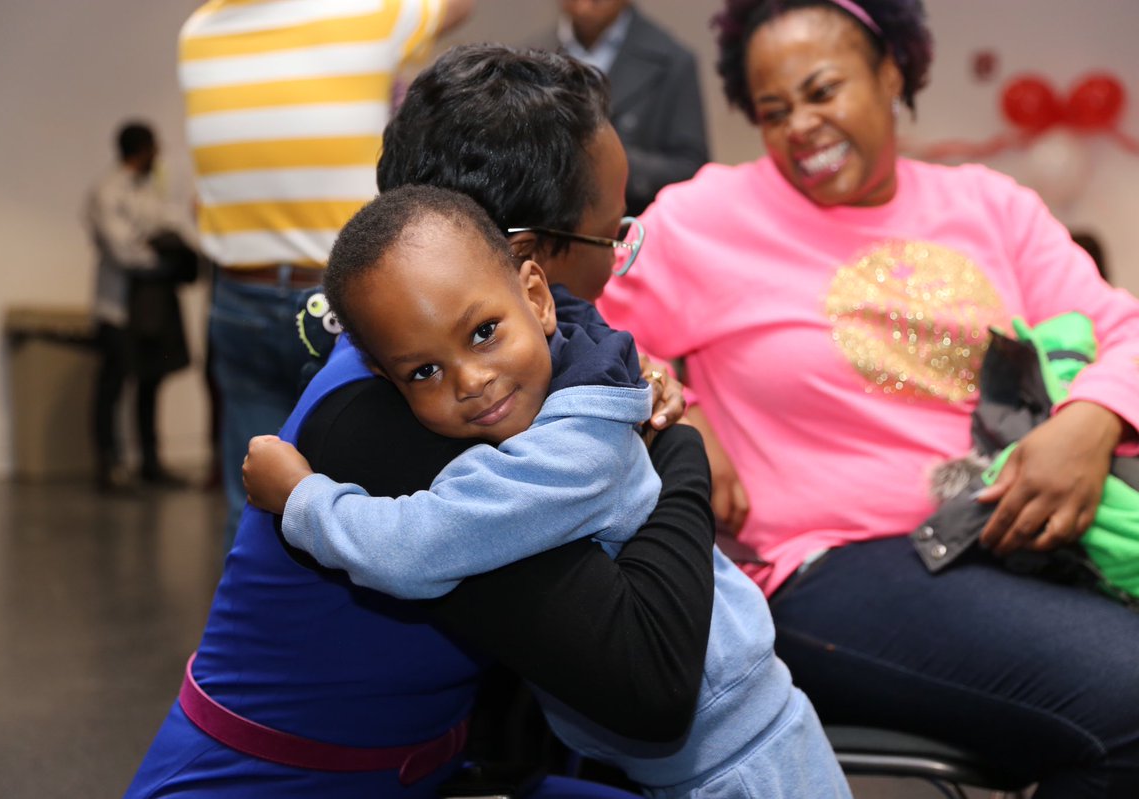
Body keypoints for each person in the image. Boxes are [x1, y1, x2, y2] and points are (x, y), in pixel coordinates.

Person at [125, 44, 720, 799]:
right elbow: (651, 682)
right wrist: (681, 453)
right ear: (530, 265)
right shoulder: (412, 425)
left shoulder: (434, 373)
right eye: (613, 237)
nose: (615, 268)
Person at [596, 0, 1139, 795]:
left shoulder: (990, 206)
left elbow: (1122, 327)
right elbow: (575, 329)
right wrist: (676, 404)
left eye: (823, 91)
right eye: (773, 110)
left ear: (891, 73)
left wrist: (1090, 421)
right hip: (833, 565)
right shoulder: (706, 218)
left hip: (1013, 539)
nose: (801, 127)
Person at [244, 184, 849, 798]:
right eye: (424, 371)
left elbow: (416, 547)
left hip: (740, 769)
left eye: (482, 333)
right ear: (385, 377)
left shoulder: (571, 454)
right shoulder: (585, 377)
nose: (472, 381)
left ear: (536, 297)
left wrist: (301, 500)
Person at [177, 0, 475, 547]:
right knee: (366, 496)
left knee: (252, 500)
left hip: (239, 293)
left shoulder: (197, 33)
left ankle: (253, 629)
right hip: (346, 306)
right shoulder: (373, 13)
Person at [85, 120, 196, 491]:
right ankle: (110, 465)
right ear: (143, 149)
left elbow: (169, 226)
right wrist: (161, 255)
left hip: (152, 305)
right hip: (118, 307)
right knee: (113, 385)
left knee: (151, 380)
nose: (159, 154)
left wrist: (161, 244)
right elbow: (125, 250)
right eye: (155, 147)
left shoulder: (149, 188)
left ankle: (150, 462)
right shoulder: (107, 191)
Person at [532, 1, 709, 214]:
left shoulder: (673, 62)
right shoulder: (527, 59)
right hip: (545, 230)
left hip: (634, 230)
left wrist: (602, 160)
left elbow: (692, 171)